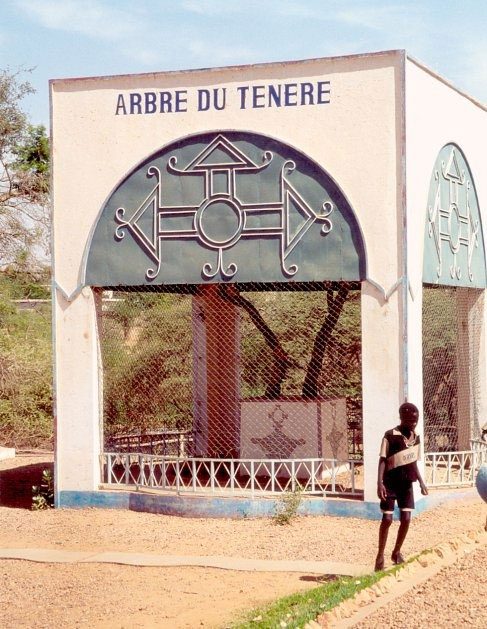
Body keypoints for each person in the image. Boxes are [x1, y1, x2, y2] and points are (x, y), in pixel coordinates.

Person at [374, 402, 428, 571]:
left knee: (406, 519)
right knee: (387, 519)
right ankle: (380, 555)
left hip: (407, 484)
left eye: (416, 420)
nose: (413, 423)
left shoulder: (416, 437)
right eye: (410, 420)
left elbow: (413, 463)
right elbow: (382, 460)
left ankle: (396, 552)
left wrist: (421, 482)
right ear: (402, 418)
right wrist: (379, 482)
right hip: (390, 483)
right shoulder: (390, 435)